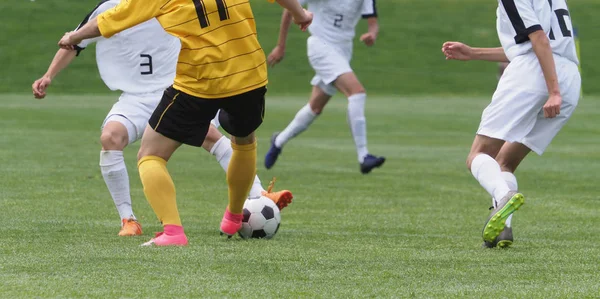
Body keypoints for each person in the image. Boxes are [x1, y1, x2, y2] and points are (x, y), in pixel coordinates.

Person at [56, 0, 312, 246]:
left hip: (201, 80)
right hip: (249, 75)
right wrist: (300, 14)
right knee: (244, 141)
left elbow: (109, 20)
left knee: (151, 155)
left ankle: (172, 232)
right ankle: (233, 217)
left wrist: (73, 37)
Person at [442, 0, 580, 248]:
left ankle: (502, 196)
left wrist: (553, 91)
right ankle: (503, 229)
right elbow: (529, 44)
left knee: (479, 154)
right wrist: (474, 53)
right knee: (505, 161)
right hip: (570, 76)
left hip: (535, 73)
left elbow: (538, 40)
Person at [264, 0, 385, 174]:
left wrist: (372, 34)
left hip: (343, 51)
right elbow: (289, 9)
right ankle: (363, 156)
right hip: (320, 46)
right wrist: (281, 46)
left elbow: (373, 23)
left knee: (315, 107)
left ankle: (278, 141)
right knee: (357, 93)